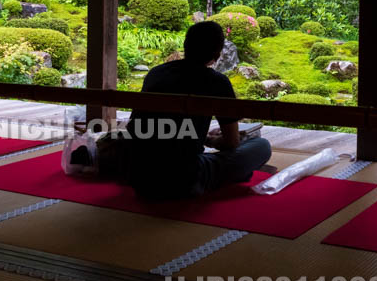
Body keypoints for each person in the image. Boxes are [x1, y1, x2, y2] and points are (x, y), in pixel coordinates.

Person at [110, 20, 272, 200]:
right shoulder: (217, 82)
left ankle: (229, 173)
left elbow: (143, 128)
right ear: (217, 54)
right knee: (261, 146)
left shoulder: (156, 73)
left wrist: (202, 138)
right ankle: (225, 175)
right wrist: (212, 141)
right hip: (185, 178)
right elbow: (232, 142)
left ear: (186, 46)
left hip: (138, 174)